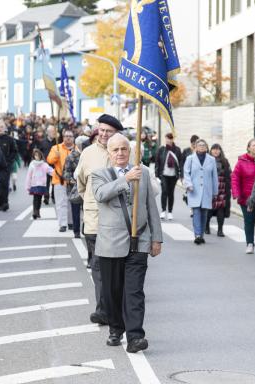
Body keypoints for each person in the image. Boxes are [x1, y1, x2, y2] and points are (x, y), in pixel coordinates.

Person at [91, 134, 162, 353]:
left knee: (134, 291)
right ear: (109, 153)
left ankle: (135, 336)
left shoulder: (144, 173)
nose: (120, 153)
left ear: (129, 151)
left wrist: (156, 238)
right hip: (111, 243)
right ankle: (115, 329)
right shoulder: (99, 174)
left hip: (139, 241)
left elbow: (151, 207)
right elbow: (101, 195)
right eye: (116, 150)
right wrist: (126, 179)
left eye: (124, 149)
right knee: (112, 292)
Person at [75, 114, 123, 326]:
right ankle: (103, 309)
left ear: (116, 134)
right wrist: (91, 202)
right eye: (102, 130)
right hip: (94, 220)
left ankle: (115, 307)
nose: (104, 134)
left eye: (109, 131)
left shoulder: (123, 151)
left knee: (116, 268)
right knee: (98, 266)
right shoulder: (87, 153)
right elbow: (81, 184)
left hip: (118, 221)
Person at [231, 138, 255, 253]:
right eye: (254, 145)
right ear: (248, 148)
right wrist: (236, 194)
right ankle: (250, 243)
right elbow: (235, 178)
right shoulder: (241, 161)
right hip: (246, 197)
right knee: (249, 221)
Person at [183, 139, 218, 244]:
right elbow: (186, 172)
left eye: (204, 145)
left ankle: (201, 234)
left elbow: (214, 176)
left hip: (207, 190)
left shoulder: (211, 159)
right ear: (196, 147)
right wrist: (188, 184)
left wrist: (215, 192)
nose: (202, 147)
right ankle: (197, 234)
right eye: (200, 145)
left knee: (204, 213)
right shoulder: (190, 158)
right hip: (194, 190)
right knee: (196, 211)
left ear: (206, 147)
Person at [47, 129, 75, 232]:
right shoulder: (56, 148)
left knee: (72, 202)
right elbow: (49, 160)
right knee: (61, 203)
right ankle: (63, 224)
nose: (68, 138)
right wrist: (56, 156)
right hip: (59, 180)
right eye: (66, 136)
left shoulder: (77, 149)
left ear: (73, 138)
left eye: (70, 136)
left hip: (73, 181)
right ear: (63, 138)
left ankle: (71, 222)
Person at [155, 132, 182, 220]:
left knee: (171, 193)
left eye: (170, 138)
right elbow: (157, 162)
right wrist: (157, 175)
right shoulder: (161, 149)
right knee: (164, 191)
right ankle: (163, 210)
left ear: (173, 139)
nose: (169, 140)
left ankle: (170, 212)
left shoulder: (177, 150)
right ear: (165, 139)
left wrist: (180, 175)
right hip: (164, 174)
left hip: (173, 175)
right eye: (167, 138)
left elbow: (180, 163)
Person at [206, 143, 231, 237]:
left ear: (220, 151)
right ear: (211, 150)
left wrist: (230, 187)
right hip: (210, 188)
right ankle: (206, 226)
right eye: (214, 149)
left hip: (222, 188)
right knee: (209, 209)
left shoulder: (225, 161)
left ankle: (220, 230)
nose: (216, 151)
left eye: (218, 149)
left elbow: (229, 174)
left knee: (221, 209)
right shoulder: (207, 161)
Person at [0, 120, 17, 212]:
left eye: (1, 127)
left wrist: (9, 162)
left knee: (4, 184)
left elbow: (14, 151)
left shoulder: (9, 139)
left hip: (6, 166)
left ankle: (5, 203)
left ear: (4, 128)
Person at [63, 140, 83, 240]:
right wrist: (71, 180)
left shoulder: (88, 155)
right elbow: (66, 172)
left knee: (87, 211)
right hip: (74, 188)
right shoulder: (71, 156)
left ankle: (86, 229)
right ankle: (76, 231)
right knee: (75, 211)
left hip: (86, 188)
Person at [26, 149, 53, 219]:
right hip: (34, 184)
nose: (37, 157)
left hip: (42, 185)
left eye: (38, 155)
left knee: (39, 198)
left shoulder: (44, 164)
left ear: (41, 156)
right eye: (35, 155)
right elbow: (29, 175)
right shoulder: (32, 164)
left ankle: (38, 211)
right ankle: (35, 212)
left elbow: (50, 171)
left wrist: (57, 174)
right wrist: (28, 186)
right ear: (33, 156)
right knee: (35, 198)